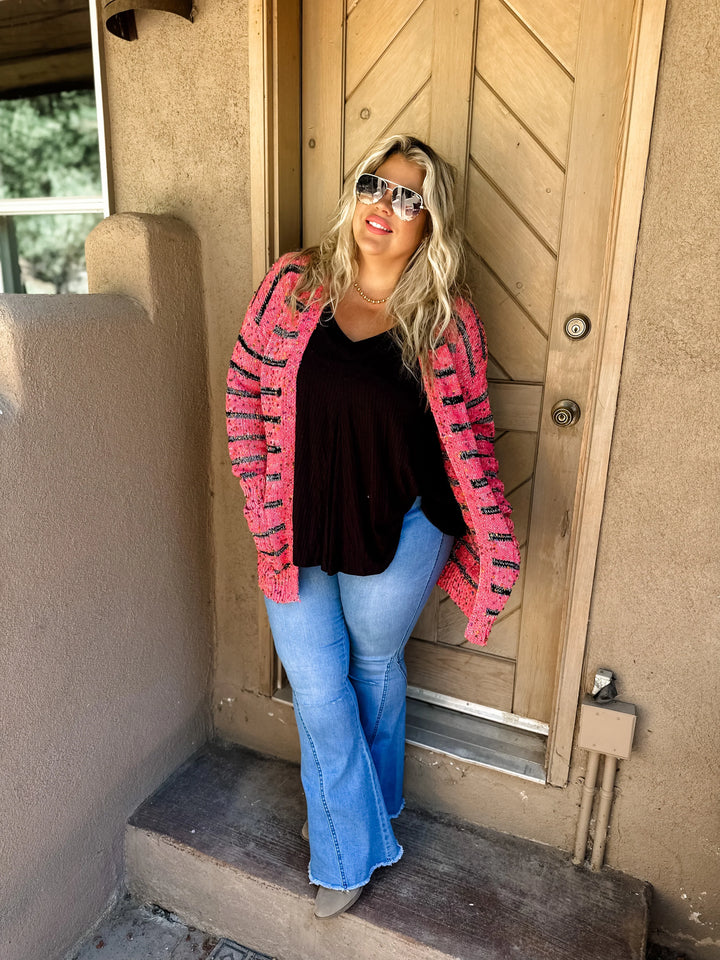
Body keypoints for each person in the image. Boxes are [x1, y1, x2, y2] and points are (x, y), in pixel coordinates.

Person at [226, 134, 520, 919]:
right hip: (294, 525)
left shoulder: (447, 318)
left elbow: (471, 432)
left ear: (430, 223)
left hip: (404, 526)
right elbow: (244, 389)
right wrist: (258, 496)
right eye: (373, 185)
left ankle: (368, 806)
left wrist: (489, 532)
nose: (384, 206)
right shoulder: (293, 284)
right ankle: (347, 849)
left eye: (407, 196)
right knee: (320, 690)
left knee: (373, 667)